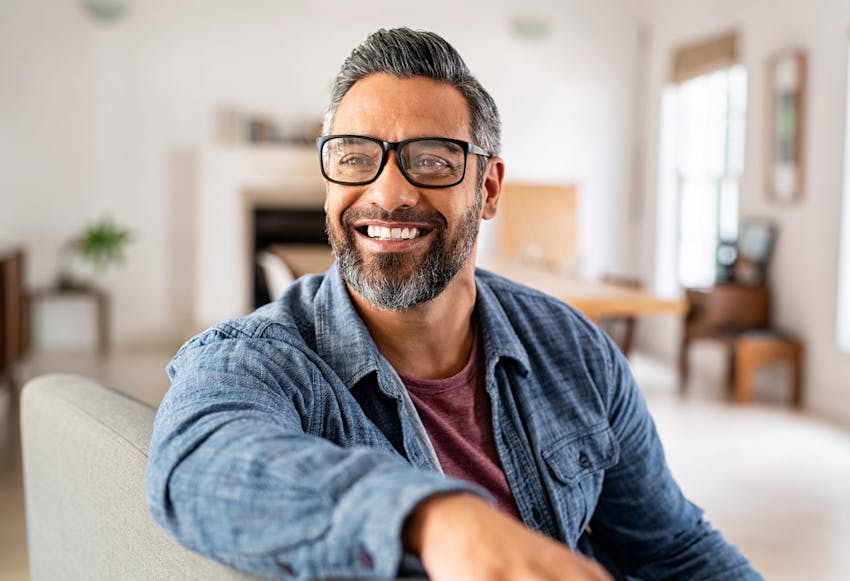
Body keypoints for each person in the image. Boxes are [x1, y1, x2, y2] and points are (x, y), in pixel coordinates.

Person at [146, 27, 762, 581]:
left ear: (488, 188)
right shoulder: (261, 359)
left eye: (432, 161)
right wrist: (434, 520)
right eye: (355, 157)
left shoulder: (574, 349)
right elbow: (197, 465)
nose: (387, 194)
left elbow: (673, 548)